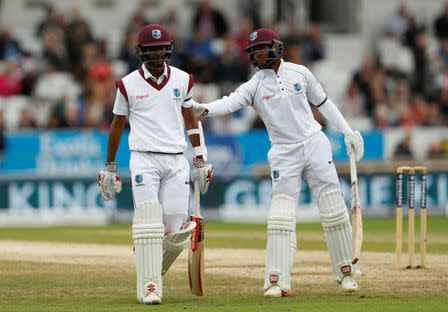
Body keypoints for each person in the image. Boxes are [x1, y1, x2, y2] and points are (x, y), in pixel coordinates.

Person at [193, 28, 364, 296]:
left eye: (261, 49)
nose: (257, 55)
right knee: (280, 219)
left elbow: (324, 103)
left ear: (275, 47)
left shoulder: (300, 72)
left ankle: (346, 273)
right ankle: (276, 280)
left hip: (314, 144)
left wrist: (347, 131)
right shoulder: (255, 84)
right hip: (283, 152)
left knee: (333, 210)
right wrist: (203, 109)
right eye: (253, 51)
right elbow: (230, 103)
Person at [97, 24, 213, 305]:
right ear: (141, 52)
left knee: (175, 230)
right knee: (149, 222)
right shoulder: (127, 84)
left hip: (176, 160)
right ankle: (150, 286)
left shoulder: (183, 80)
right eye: (151, 49)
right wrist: (110, 166)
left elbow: (190, 119)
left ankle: (149, 263)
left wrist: (199, 157)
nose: (157, 53)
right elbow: (117, 124)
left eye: (161, 48)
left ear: (168, 49)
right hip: (143, 159)